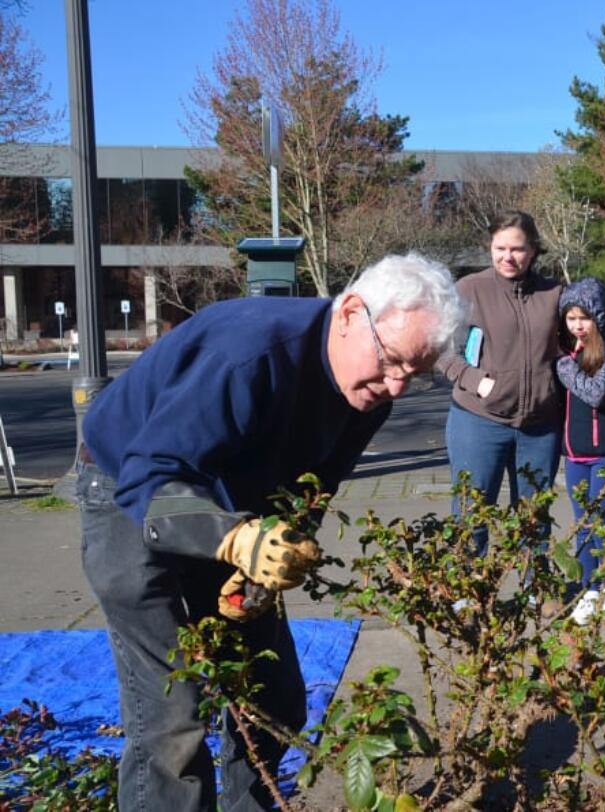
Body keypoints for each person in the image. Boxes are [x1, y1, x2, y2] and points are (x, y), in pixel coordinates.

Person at [77, 253, 463, 809]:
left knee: (276, 696)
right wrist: (235, 541)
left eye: (416, 373)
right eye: (394, 361)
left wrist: (263, 570)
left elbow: (310, 489)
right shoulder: (246, 356)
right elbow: (146, 481)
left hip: (233, 506)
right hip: (124, 488)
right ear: (352, 311)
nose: (398, 387)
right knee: (172, 717)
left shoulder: (368, 387)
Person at [438, 211, 605, 553]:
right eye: (500, 248)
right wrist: (474, 379)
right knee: (472, 513)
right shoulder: (469, 289)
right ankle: (467, 598)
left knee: (534, 517)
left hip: (540, 427)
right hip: (478, 420)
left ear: (533, 251)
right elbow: (439, 348)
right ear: (490, 247)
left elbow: (587, 323)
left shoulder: (553, 292)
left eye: (517, 249)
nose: (507, 257)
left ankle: (534, 593)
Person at [556, 277, 605, 625]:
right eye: (571, 317)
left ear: (598, 316)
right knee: (583, 524)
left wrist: (565, 369)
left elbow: (597, 393)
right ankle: (590, 590)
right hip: (575, 453)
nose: (576, 325)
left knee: (602, 523)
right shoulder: (568, 346)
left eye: (583, 317)